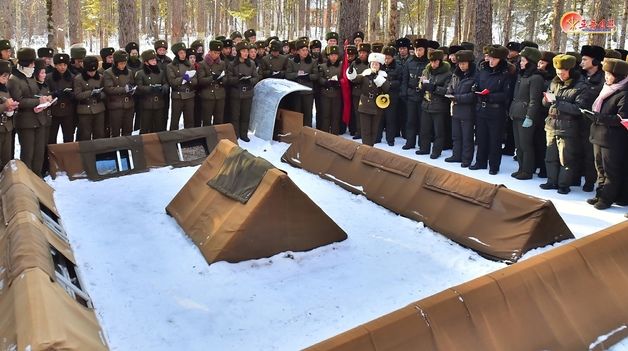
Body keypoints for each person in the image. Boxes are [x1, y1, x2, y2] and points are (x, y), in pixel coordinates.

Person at [540, 54, 587, 195]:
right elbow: (546, 103)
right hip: (551, 125)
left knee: (566, 159)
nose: (560, 75)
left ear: (570, 70)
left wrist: (558, 102)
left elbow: (579, 109)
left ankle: (563, 184)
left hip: (568, 128)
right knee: (550, 157)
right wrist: (546, 100)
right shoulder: (554, 82)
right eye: (558, 72)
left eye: (563, 73)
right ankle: (551, 181)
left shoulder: (580, 86)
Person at [585, 58, 628, 209]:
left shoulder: (624, 93)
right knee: (600, 169)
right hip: (598, 134)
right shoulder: (606, 88)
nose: (606, 77)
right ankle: (599, 195)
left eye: (609, 74)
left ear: (619, 76)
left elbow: (621, 118)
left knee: (611, 171)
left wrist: (598, 117)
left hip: (612, 139)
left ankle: (607, 199)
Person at [469, 45, 512, 175]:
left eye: (495, 59)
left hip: (496, 111)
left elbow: (507, 94)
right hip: (482, 109)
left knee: (495, 140)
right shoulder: (483, 69)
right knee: (481, 138)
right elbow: (477, 82)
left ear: (501, 59)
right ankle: (480, 162)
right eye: (490, 58)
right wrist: (475, 88)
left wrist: (491, 96)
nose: (491, 61)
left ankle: (494, 166)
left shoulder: (506, 73)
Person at [9, 53, 53, 176]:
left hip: (39, 119)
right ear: (25, 63)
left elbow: (35, 94)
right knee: (28, 153)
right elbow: (18, 101)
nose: (34, 66)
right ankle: (28, 180)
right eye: (32, 63)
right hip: (25, 122)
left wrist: (44, 99)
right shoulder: (14, 80)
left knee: (39, 153)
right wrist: (38, 101)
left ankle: (38, 177)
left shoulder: (30, 77)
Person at [509, 47, 545, 180]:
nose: (520, 63)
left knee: (526, 145)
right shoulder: (521, 75)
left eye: (523, 60)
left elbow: (534, 100)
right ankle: (521, 167)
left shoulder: (536, 78)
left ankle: (527, 170)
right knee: (518, 145)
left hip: (526, 115)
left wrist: (530, 116)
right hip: (517, 113)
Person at [346, 51, 390, 146]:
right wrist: (351, 72)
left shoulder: (384, 76)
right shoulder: (365, 75)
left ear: (380, 65)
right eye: (373, 63)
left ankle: (370, 148)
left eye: (377, 64)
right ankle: (366, 149)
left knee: (374, 130)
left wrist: (378, 78)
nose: (374, 65)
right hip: (365, 105)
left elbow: (387, 88)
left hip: (377, 106)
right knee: (365, 130)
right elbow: (354, 79)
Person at [579, 45, 606, 192]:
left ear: (595, 61)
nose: (581, 62)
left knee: (590, 154)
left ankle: (590, 181)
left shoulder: (603, 80)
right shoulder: (579, 75)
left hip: (592, 122)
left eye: (585, 59)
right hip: (576, 119)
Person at [416, 49, 452, 159]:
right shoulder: (426, 71)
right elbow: (420, 85)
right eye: (431, 61)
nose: (433, 64)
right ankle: (424, 148)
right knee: (424, 129)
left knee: (438, 131)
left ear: (440, 61)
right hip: (426, 104)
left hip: (439, 106)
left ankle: (437, 151)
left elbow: (447, 90)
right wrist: (422, 85)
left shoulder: (447, 73)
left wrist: (434, 88)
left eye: (435, 61)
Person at [446, 49, 476, 167]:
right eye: (460, 64)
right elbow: (451, 87)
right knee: (456, 135)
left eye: (464, 63)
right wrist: (450, 93)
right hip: (456, 109)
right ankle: (456, 155)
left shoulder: (474, 75)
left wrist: (457, 97)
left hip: (467, 110)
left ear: (469, 63)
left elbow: (473, 95)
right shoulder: (456, 74)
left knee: (467, 136)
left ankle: (466, 158)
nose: (461, 66)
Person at [226, 41, 259, 141]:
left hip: (248, 93)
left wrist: (249, 80)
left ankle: (244, 134)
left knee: (246, 115)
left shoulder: (252, 64)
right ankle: (235, 134)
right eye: (244, 51)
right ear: (239, 52)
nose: (246, 53)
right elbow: (229, 79)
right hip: (236, 93)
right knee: (235, 115)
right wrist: (238, 78)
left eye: (247, 51)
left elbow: (256, 77)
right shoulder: (232, 64)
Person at [401, 38, 429, 150]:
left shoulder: (428, 63)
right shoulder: (410, 62)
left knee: (423, 123)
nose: (418, 52)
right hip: (411, 94)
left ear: (425, 50)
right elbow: (405, 79)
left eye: (420, 49)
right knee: (410, 120)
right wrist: (404, 93)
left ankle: (423, 145)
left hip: (423, 96)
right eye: (416, 49)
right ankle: (410, 142)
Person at [135, 49, 170, 134]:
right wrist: (150, 89)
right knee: (145, 127)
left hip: (159, 104)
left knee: (159, 127)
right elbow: (139, 87)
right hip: (146, 105)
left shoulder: (160, 72)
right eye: (152, 60)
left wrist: (164, 88)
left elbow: (166, 83)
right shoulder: (140, 73)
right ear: (146, 62)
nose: (154, 62)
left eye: (155, 60)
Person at [286, 39, 318, 128]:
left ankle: (308, 132)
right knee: (297, 113)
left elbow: (316, 75)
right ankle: (297, 131)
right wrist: (297, 75)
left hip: (308, 91)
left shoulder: (312, 61)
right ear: (298, 51)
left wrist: (308, 76)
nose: (305, 52)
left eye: (306, 50)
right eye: (303, 50)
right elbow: (288, 74)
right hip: (297, 91)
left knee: (308, 113)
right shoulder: (292, 61)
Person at [103, 50, 136, 137]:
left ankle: (125, 149)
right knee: (115, 131)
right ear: (116, 62)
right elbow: (108, 89)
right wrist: (124, 89)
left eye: (125, 63)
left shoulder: (129, 72)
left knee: (128, 130)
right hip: (115, 105)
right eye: (121, 63)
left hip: (128, 105)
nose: (123, 65)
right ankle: (114, 149)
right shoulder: (108, 72)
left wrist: (132, 89)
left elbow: (132, 83)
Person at [73, 56, 106, 141]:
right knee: (85, 135)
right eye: (90, 71)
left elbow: (105, 92)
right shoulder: (78, 79)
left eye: (94, 71)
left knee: (99, 134)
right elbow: (77, 95)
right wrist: (90, 92)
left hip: (98, 109)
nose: (92, 73)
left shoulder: (100, 77)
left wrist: (100, 95)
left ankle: (98, 153)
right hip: (85, 110)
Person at [46, 53, 76, 143]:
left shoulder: (72, 77)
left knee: (68, 137)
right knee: (51, 137)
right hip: (54, 111)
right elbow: (45, 93)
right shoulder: (49, 77)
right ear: (55, 65)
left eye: (65, 65)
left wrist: (71, 95)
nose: (62, 67)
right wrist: (54, 93)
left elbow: (76, 93)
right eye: (60, 65)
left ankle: (67, 156)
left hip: (68, 111)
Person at [167, 42, 198, 130]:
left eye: (184, 52)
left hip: (189, 96)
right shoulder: (171, 66)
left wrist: (190, 80)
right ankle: (173, 140)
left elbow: (195, 80)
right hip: (178, 96)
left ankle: (189, 140)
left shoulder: (190, 65)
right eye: (181, 53)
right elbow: (172, 81)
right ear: (177, 54)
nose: (183, 55)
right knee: (175, 120)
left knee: (189, 121)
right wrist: (182, 79)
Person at [197, 40, 227, 126]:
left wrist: (222, 80)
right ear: (210, 51)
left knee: (219, 119)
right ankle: (207, 138)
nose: (216, 55)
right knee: (207, 120)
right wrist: (212, 78)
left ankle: (217, 138)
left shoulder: (222, 63)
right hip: (208, 95)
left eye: (218, 53)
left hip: (220, 95)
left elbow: (226, 77)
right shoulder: (202, 64)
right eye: (215, 52)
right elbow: (201, 80)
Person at [377, 45, 403, 145]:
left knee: (390, 119)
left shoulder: (398, 67)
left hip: (392, 96)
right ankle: (377, 137)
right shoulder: (379, 66)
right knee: (379, 118)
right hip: (380, 96)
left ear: (393, 57)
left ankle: (390, 139)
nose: (386, 60)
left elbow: (400, 81)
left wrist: (389, 83)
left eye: (389, 58)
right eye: (385, 57)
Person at [317, 45, 343, 134]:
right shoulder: (323, 66)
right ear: (328, 56)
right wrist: (326, 82)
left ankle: (335, 134)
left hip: (337, 94)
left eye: (335, 55)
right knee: (325, 115)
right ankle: (325, 133)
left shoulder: (341, 66)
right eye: (332, 55)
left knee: (336, 115)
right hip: (325, 94)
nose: (334, 57)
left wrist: (339, 82)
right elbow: (319, 78)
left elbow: (344, 78)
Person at [347, 43, 371, 138]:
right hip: (356, 92)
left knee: (366, 113)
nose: (361, 54)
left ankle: (366, 132)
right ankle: (359, 131)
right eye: (360, 52)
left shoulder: (370, 64)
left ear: (368, 53)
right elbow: (351, 77)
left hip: (367, 93)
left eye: (364, 52)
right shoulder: (354, 63)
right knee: (357, 113)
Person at [0, 60, 17, 168]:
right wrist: (5, 105)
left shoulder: (5, 89)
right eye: (3, 76)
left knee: (6, 159)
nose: (5, 79)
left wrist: (11, 109)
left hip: (7, 127)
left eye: (7, 76)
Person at [154, 40, 172, 131]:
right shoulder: (152, 59)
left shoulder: (169, 61)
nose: (162, 52)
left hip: (166, 89)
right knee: (156, 112)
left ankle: (163, 129)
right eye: (160, 50)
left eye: (163, 50)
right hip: (155, 89)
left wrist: (168, 84)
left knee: (165, 110)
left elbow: (171, 75)